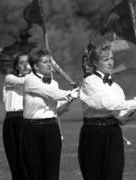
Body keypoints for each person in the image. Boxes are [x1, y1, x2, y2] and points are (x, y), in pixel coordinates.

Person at [78, 41, 136, 180]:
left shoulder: (116, 87)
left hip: (113, 133)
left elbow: (122, 118)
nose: (110, 62)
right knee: (94, 175)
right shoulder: (90, 81)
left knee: (114, 175)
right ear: (95, 62)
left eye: (111, 58)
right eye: (106, 59)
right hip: (93, 133)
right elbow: (108, 104)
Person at [22, 48, 79, 180]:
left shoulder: (54, 83)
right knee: (34, 173)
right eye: (45, 62)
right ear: (36, 66)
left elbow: (56, 109)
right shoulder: (29, 80)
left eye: (50, 61)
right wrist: (70, 94)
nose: (49, 64)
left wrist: (71, 99)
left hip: (51, 129)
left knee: (52, 173)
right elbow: (51, 94)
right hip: (32, 130)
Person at [1, 51, 31, 180]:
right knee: (14, 159)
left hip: (27, 119)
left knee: (27, 160)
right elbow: (24, 81)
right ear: (17, 66)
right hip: (11, 120)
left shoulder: (36, 81)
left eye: (27, 62)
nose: (25, 65)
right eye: (21, 62)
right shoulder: (10, 78)